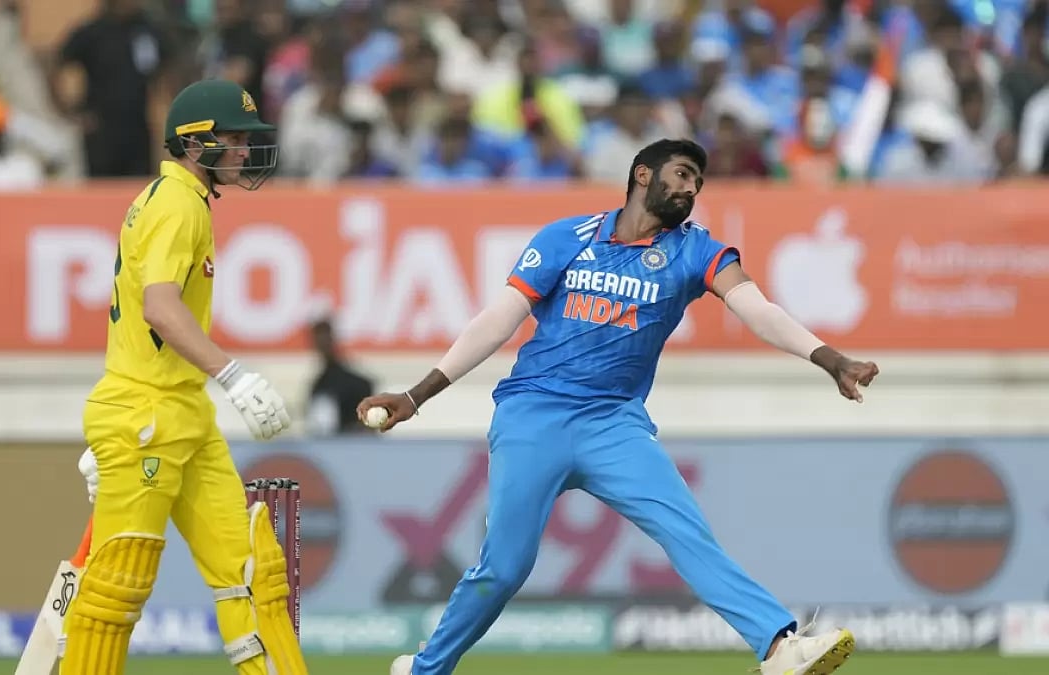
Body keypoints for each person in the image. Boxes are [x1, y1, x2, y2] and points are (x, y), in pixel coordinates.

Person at [359, 138, 877, 675]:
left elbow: (759, 310)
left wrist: (830, 359)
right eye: (682, 174)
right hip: (534, 414)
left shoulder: (695, 250)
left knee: (686, 533)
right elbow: (496, 322)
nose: (691, 188)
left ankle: (777, 646)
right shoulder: (566, 237)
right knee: (505, 569)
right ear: (643, 174)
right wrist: (415, 395)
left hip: (613, 424)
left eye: (698, 182)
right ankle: (425, 669)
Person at [60, 79, 305, 675]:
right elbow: (159, 309)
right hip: (146, 417)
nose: (245, 151)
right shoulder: (176, 204)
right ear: (196, 143)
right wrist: (234, 376)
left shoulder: (178, 199)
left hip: (181, 413)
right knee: (118, 586)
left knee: (254, 574)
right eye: (235, 139)